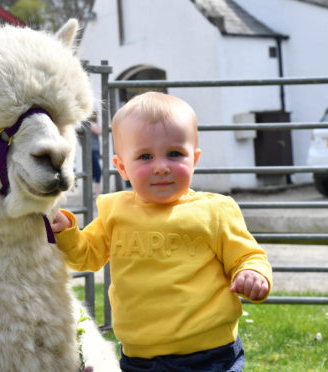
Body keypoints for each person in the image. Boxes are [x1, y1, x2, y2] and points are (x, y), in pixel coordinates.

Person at [51, 92, 272, 372]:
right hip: (140, 355)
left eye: (175, 154)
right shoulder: (114, 211)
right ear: (122, 167)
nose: (161, 167)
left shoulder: (215, 211)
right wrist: (66, 231)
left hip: (210, 353)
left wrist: (252, 274)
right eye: (145, 156)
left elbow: (248, 255)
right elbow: (85, 256)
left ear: (194, 159)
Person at [89, 111, 102, 197]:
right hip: (92, 151)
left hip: (95, 151)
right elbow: (100, 132)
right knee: (97, 171)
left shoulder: (92, 125)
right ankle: (96, 193)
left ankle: (95, 192)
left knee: (95, 172)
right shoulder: (90, 125)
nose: (97, 117)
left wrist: (99, 152)